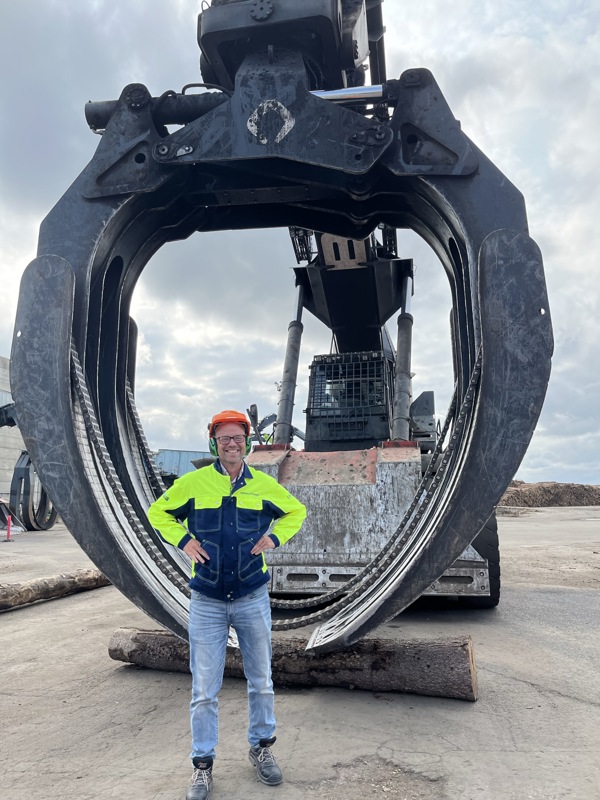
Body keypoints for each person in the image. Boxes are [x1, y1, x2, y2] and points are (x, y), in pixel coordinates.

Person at [147, 409, 306, 800]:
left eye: (238, 438)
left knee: (261, 680)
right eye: (224, 439)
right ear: (214, 444)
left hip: (252, 596)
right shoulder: (194, 483)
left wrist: (274, 539)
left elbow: (296, 512)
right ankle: (202, 766)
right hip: (207, 601)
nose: (231, 444)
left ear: (248, 443)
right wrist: (184, 542)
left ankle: (262, 748)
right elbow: (158, 513)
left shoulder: (264, 486)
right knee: (204, 688)